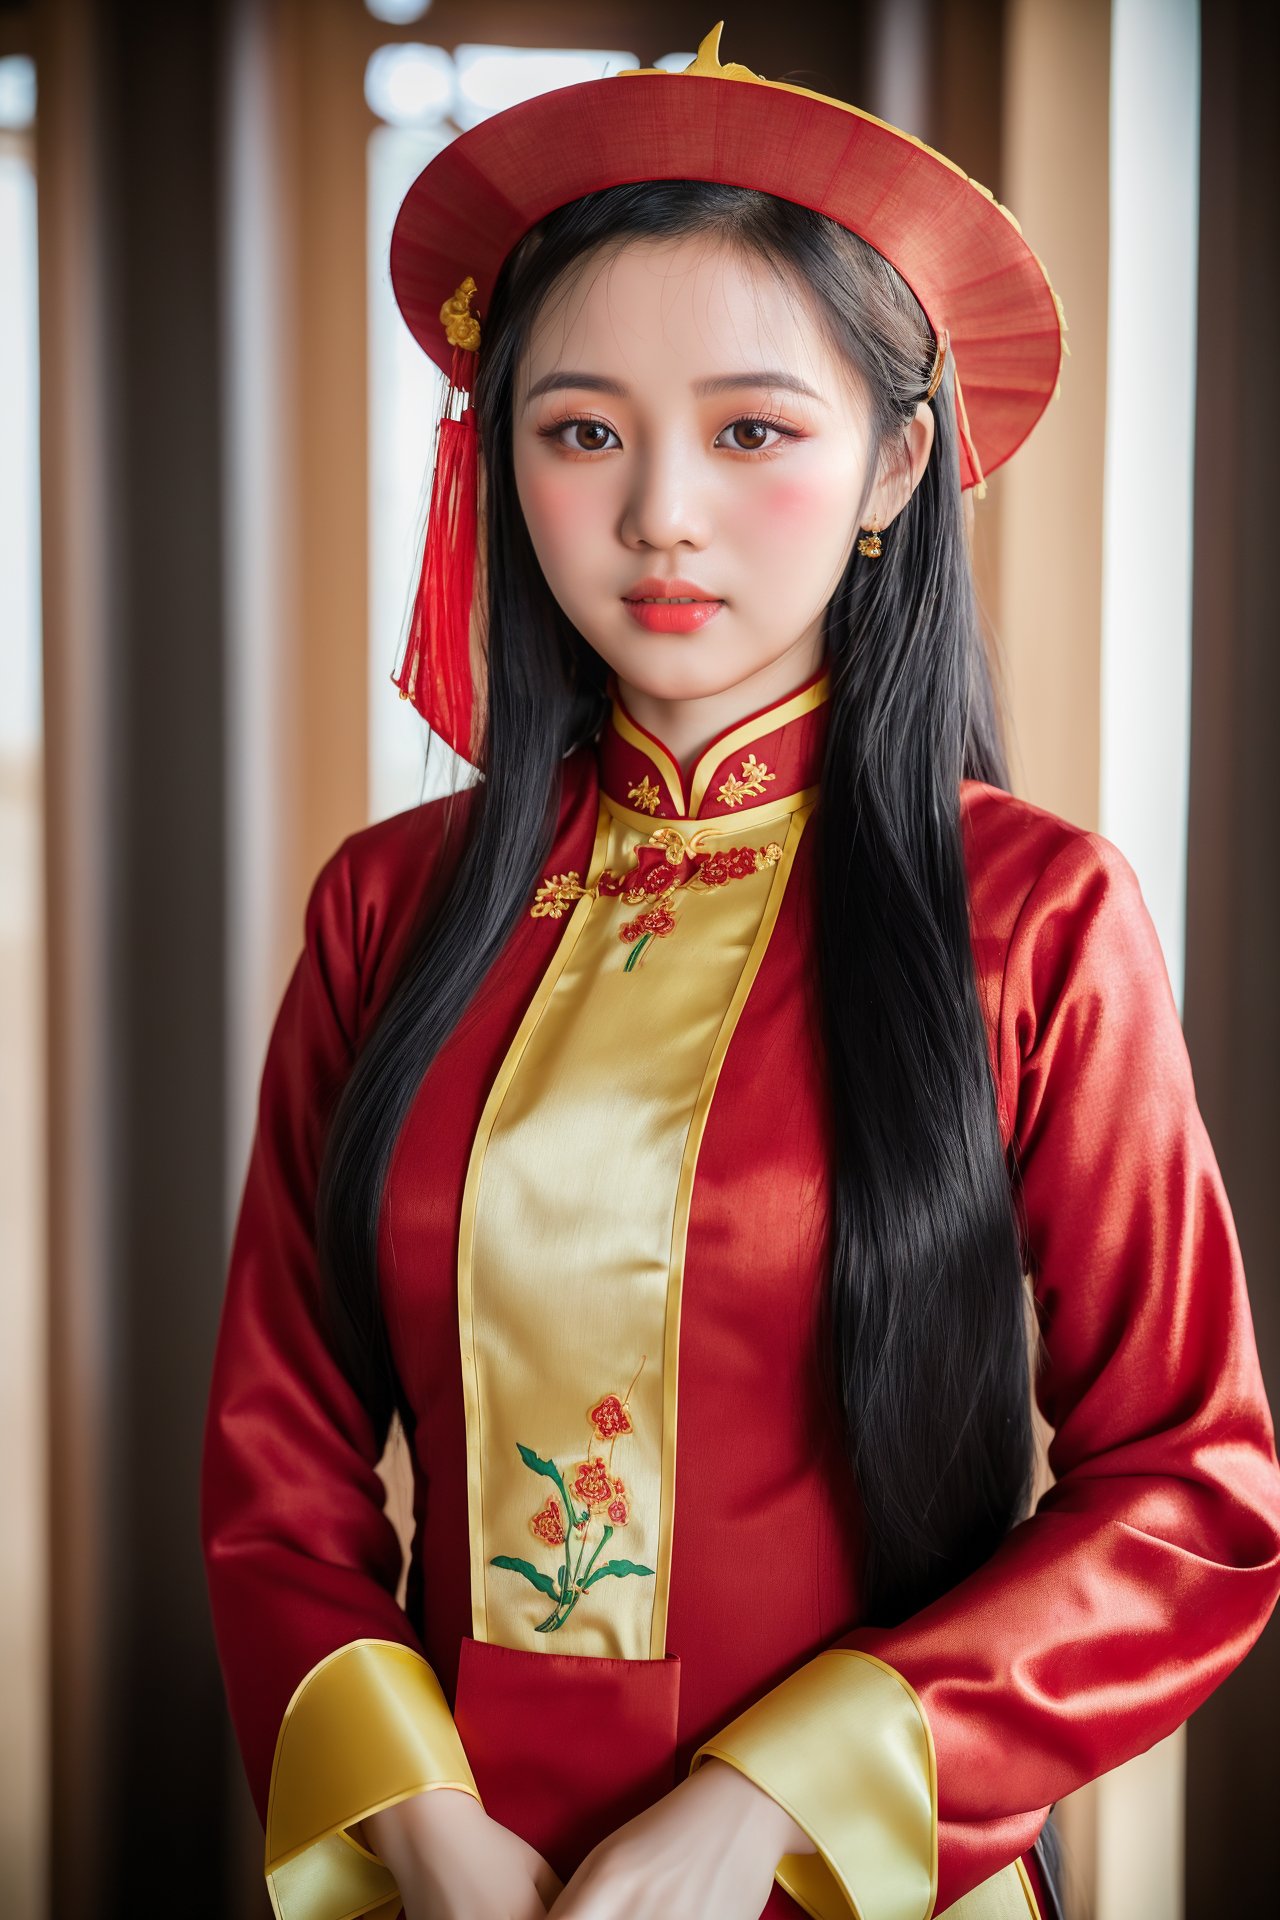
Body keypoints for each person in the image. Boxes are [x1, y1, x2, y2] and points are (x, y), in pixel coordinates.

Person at [199, 23, 1280, 1920]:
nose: (660, 514)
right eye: (583, 429)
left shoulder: (1035, 919)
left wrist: (766, 1804)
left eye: (754, 430)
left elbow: (1194, 1496)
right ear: (498, 461)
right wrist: (422, 1825)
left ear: (896, 463)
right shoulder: (389, 909)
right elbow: (275, 1468)